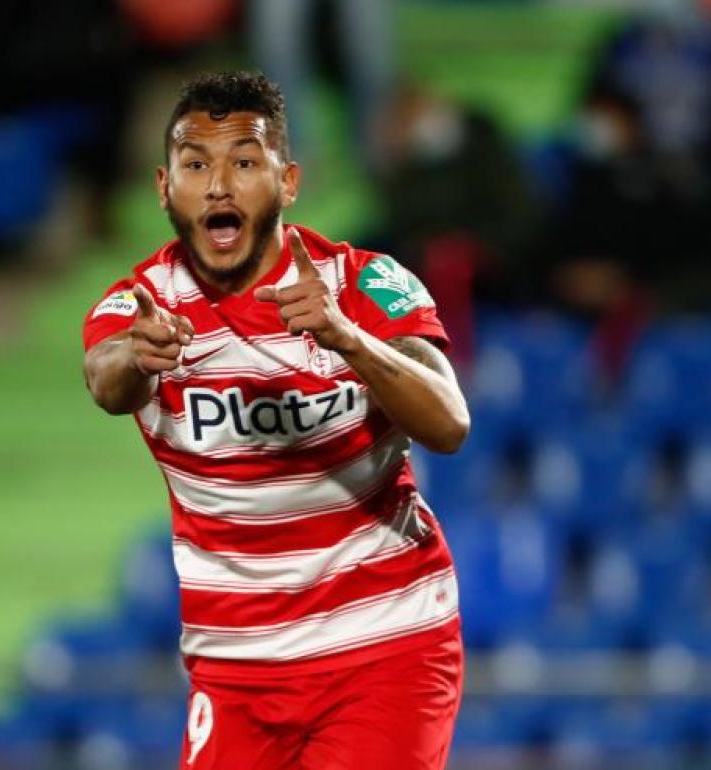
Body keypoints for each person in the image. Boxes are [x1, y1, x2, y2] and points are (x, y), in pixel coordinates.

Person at [81, 71, 469, 769]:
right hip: (233, 670)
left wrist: (350, 338)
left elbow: (448, 422)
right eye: (196, 164)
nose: (219, 185)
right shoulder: (140, 306)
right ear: (164, 187)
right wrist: (141, 358)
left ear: (288, 182)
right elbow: (106, 379)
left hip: (383, 648)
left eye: (245, 162)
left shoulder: (362, 283)